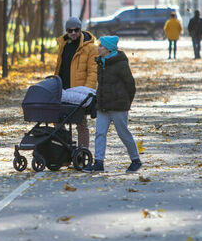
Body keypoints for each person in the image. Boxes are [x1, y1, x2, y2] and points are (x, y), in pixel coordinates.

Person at [83, 36, 141, 173]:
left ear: (108, 49)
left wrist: (126, 102)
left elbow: (130, 85)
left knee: (123, 133)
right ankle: (98, 162)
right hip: (103, 105)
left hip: (118, 106)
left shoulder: (120, 64)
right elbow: (101, 85)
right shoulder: (100, 62)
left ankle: (135, 160)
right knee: (100, 133)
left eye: (101, 46)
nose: (98, 48)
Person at [54, 17, 98, 148]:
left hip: (80, 92)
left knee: (81, 123)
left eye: (76, 30)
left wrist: (87, 92)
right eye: (70, 30)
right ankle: (65, 149)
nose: (73, 33)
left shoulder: (90, 48)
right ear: (66, 31)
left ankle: (83, 151)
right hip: (63, 90)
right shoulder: (63, 45)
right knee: (57, 120)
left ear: (80, 30)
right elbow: (60, 67)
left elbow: (93, 72)